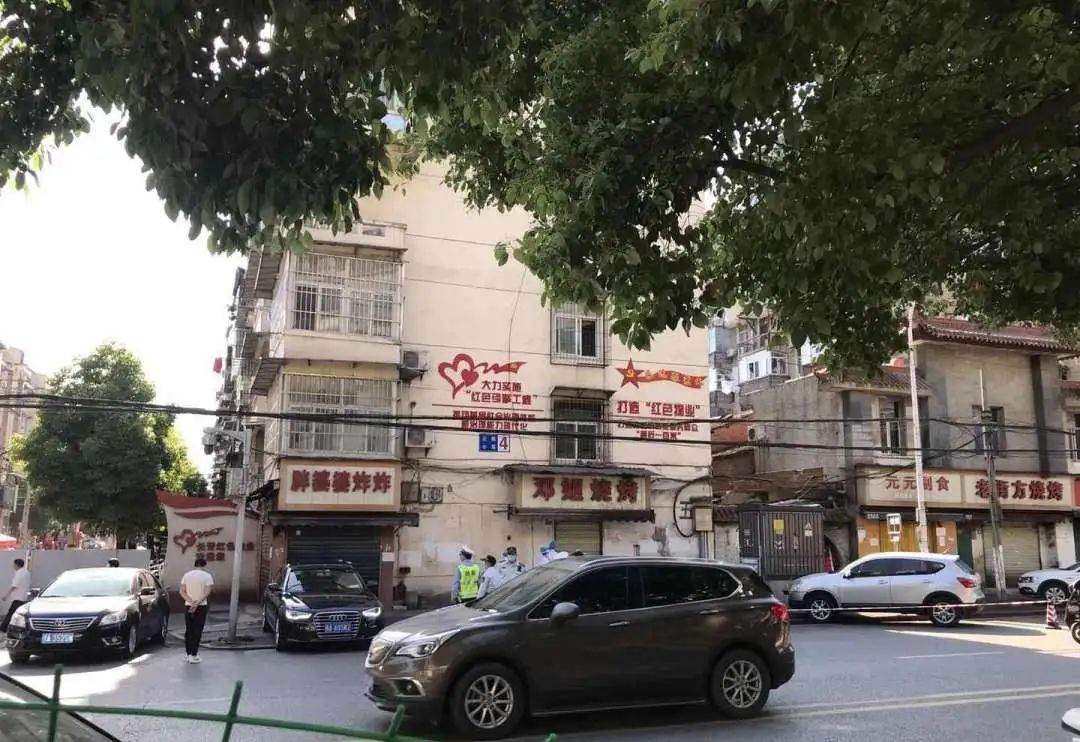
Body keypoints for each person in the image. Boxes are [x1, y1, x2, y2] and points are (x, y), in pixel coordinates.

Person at [179, 557, 213, 664]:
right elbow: (207, 592)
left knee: (189, 629)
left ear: (195, 565)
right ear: (204, 565)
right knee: (197, 630)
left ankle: (187, 653)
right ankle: (194, 654)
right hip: (201, 606)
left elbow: (182, 591)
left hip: (188, 605)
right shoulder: (207, 576)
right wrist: (197, 603)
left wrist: (191, 602)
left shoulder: (186, 575)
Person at [1, 558, 31, 633]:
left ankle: (4, 627)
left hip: (17, 597)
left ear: (17, 565)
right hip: (23, 596)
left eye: (14, 564)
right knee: (18, 614)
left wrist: (6, 595)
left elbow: (14, 585)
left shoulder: (19, 573)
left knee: (11, 613)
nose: (13, 566)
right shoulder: (27, 573)